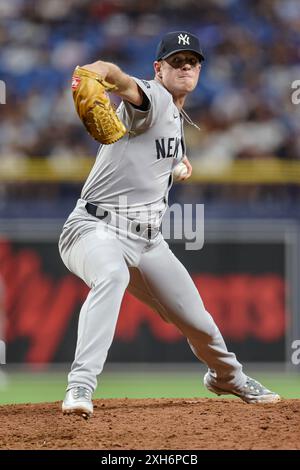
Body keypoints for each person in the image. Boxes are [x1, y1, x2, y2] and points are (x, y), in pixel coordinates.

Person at [59, 31, 280, 418]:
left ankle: (227, 376)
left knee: (198, 321)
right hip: (95, 229)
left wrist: (177, 165)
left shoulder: (176, 116)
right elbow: (118, 78)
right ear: (158, 69)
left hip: (148, 241)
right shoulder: (154, 96)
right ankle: (81, 384)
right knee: (111, 276)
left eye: (191, 61)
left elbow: (159, 153)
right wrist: (94, 71)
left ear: (199, 70)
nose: (185, 67)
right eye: (176, 61)